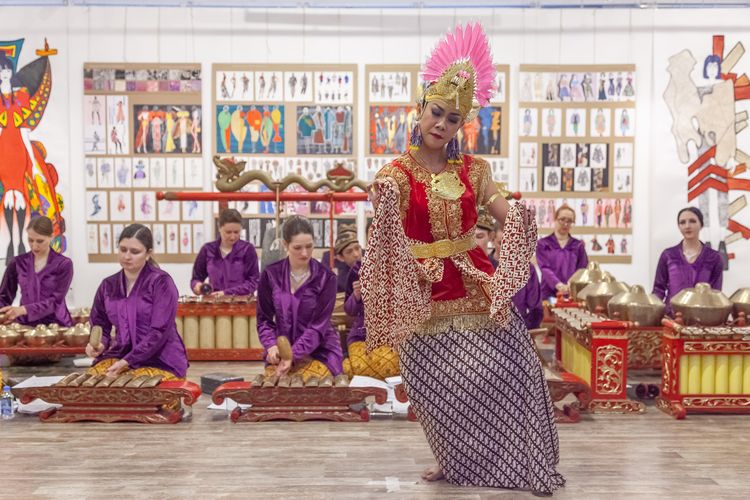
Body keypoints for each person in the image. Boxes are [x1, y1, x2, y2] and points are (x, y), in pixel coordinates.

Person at [362, 23, 563, 495]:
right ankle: (452, 458)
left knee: (511, 371)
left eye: (452, 119)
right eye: (436, 112)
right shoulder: (394, 173)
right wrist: (384, 199)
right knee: (434, 387)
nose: (441, 124)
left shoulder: (476, 170)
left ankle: (519, 458)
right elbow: (386, 222)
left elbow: (504, 215)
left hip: (474, 280)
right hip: (420, 287)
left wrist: (518, 215)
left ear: (461, 125)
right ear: (420, 109)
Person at [86, 224, 188, 380]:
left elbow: (159, 331)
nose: (127, 256)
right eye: (123, 249)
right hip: (121, 353)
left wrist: (128, 361)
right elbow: (99, 323)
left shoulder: (161, 283)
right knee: (92, 384)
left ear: (148, 254)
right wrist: (99, 344)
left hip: (160, 359)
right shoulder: (108, 285)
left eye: (135, 252)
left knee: (137, 392)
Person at [257, 215, 343, 381]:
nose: (304, 253)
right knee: (274, 391)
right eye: (297, 248)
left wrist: (293, 355)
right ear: (285, 245)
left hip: (321, 350)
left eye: (309, 246)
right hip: (282, 349)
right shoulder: (270, 275)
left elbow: (318, 327)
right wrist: (271, 345)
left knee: (316, 387)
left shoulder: (326, 278)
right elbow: (264, 320)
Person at [0, 216, 73, 326]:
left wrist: (24, 310)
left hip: (57, 326)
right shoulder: (17, 262)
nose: (34, 245)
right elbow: (4, 297)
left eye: (40, 241)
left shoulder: (64, 264)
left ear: (51, 237)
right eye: (30, 240)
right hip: (25, 325)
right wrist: (3, 314)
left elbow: (55, 301)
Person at [653, 207, 723, 311]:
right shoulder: (668, 255)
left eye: (692, 221)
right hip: (671, 318)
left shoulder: (714, 257)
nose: (687, 226)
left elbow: (716, 294)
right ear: (679, 226)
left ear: (701, 224)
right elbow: (658, 289)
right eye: (682, 222)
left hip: (702, 318)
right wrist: (653, 313)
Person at [489, 218, 543, 331]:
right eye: (501, 243)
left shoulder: (527, 269)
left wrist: (524, 332)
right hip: (489, 332)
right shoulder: (484, 267)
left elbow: (535, 308)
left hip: (520, 331)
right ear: (492, 239)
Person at [191, 208, 259, 297]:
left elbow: (253, 282)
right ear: (219, 228)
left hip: (242, 305)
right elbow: (196, 278)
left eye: (236, 232)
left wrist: (225, 293)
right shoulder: (207, 250)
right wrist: (197, 286)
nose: (233, 237)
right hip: (214, 305)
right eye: (228, 232)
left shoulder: (248, 250)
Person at [536, 205, 588, 299]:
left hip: (571, 293)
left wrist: (570, 284)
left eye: (569, 221)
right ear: (555, 219)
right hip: (548, 294)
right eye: (562, 219)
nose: (565, 224)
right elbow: (544, 268)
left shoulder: (578, 245)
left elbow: (582, 269)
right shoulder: (543, 244)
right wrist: (558, 285)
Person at [321, 226, 362, 293]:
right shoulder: (339, 281)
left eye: (357, 248)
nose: (356, 254)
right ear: (340, 258)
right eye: (349, 252)